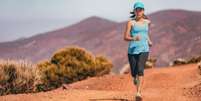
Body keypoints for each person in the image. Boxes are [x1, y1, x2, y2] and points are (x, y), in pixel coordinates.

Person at [123, 1, 153, 99]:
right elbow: (125, 37)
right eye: (137, 10)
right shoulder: (131, 23)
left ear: (143, 11)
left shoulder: (147, 22)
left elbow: (145, 33)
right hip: (132, 50)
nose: (139, 11)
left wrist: (149, 41)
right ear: (134, 11)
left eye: (141, 10)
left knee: (140, 69)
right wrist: (133, 38)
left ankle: (138, 93)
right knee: (133, 72)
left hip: (144, 49)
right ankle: (134, 77)